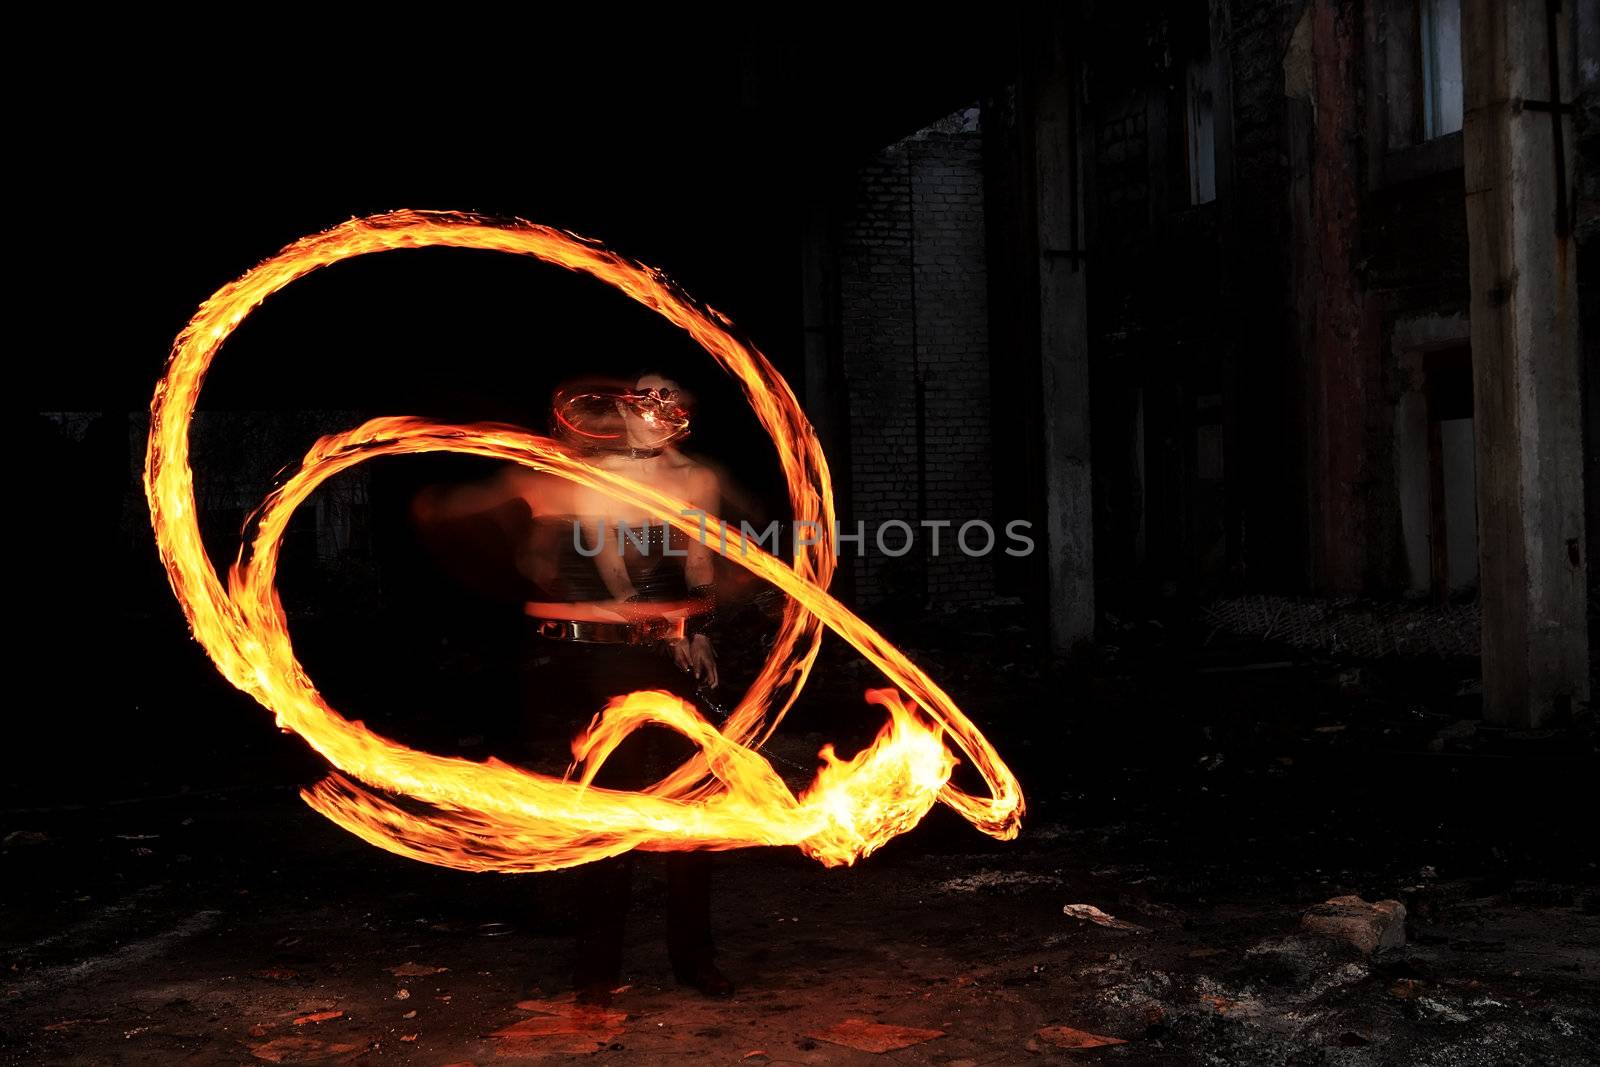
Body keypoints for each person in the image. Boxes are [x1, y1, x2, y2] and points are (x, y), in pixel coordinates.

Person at [413, 372, 732, 1003]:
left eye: (666, 396)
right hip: (605, 662)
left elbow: (699, 561)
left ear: (681, 413)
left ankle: (695, 960)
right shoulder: (596, 474)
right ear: (623, 408)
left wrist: (696, 627)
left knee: (695, 808)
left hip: (675, 652)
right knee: (614, 808)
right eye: (642, 394)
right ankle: (598, 971)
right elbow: (613, 567)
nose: (652, 405)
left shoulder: (698, 479)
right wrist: (667, 627)